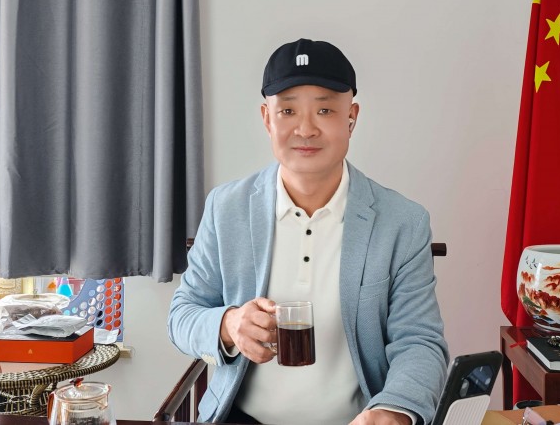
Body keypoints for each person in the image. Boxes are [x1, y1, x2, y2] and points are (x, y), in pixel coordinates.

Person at [168, 38, 448, 425]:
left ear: (351, 117)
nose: (305, 129)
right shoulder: (226, 208)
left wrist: (393, 411)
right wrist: (230, 324)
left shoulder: (403, 222)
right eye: (287, 110)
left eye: (325, 110)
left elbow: (419, 340)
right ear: (267, 118)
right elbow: (182, 315)